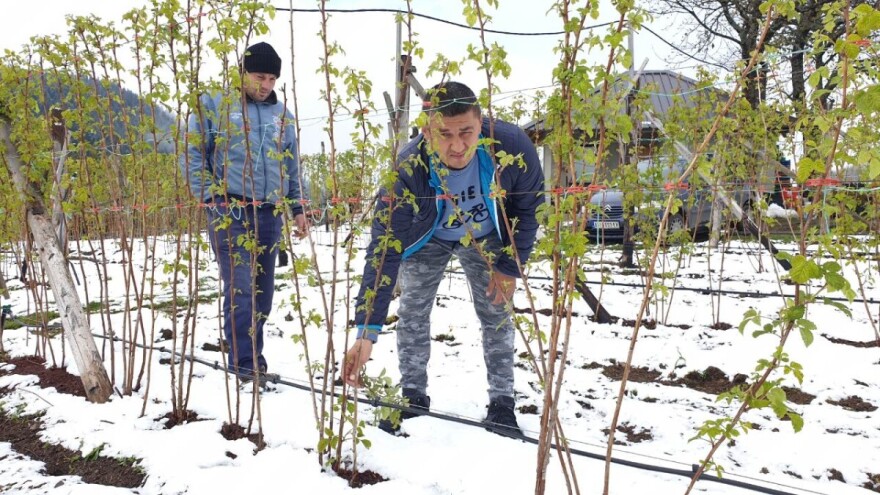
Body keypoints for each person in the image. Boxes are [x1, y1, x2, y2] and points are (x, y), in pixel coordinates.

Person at [343, 81, 544, 436]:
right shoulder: (407, 169)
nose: (457, 145)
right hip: (429, 235)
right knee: (413, 311)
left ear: (481, 123)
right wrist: (366, 331)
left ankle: (502, 404)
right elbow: (384, 248)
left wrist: (510, 266)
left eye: (466, 132)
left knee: (497, 312)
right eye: (444, 134)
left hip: (486, 235)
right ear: (426, 130)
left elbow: (528, 210)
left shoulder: (511, 147)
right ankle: (413, 396)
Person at [181, 41, 307, 379]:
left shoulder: (284, 116)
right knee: (241, 289)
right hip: (230, 211)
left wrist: (297, 207)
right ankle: (245, 366)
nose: (266, 86)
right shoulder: (214, 106)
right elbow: (195, 154)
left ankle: (254, 357)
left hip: (268, 213)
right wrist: (210, 198)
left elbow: (291, 165)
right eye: (259, 76)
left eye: (272, 79)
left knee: (263, 293)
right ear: (243, 73)